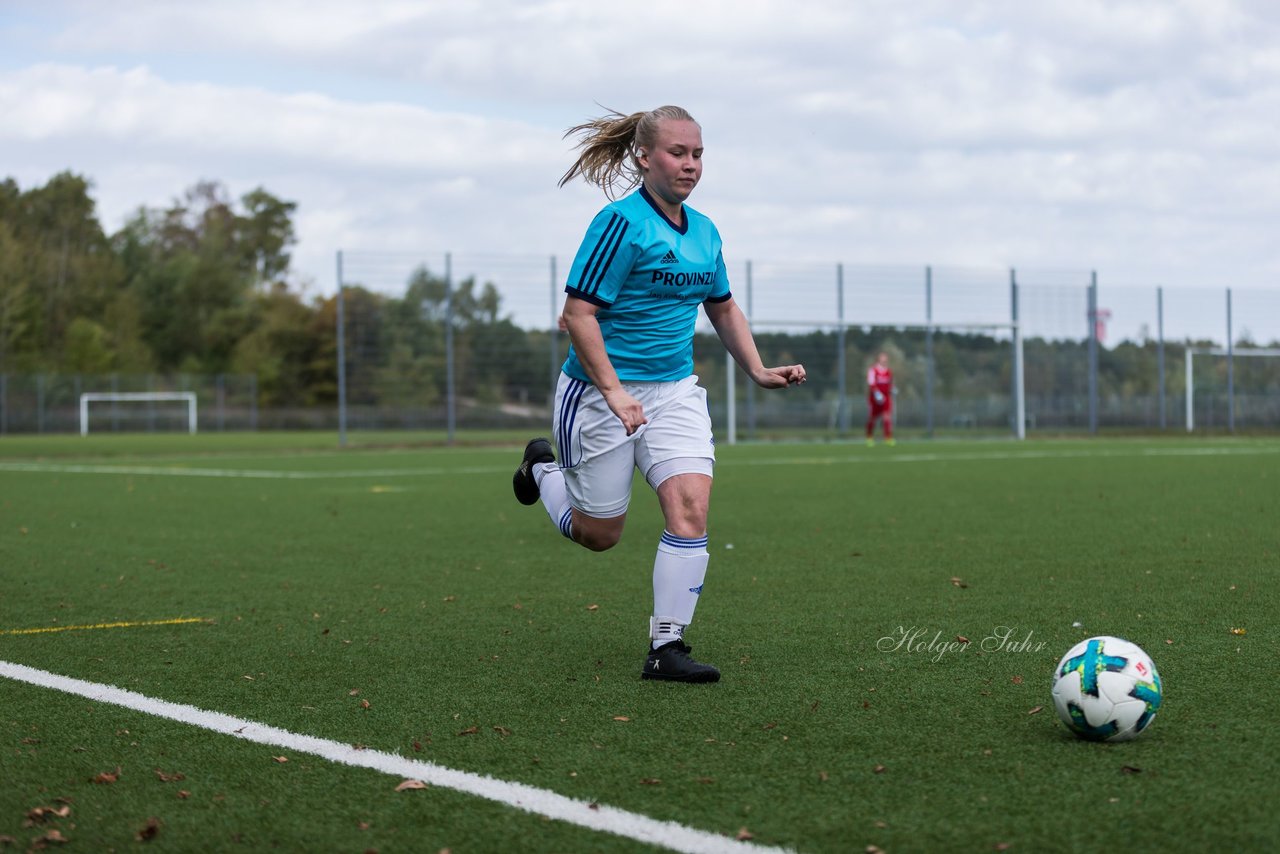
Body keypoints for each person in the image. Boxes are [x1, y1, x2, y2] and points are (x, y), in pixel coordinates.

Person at [513, 105, 806, 683]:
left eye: (698, 154)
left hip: (674, 391)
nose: (690, 164)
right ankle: (541, 470)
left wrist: (757, 369)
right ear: (644, 158)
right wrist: (615, 391)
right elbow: (577, 314)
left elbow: (720, 304)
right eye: (678, 152)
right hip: (599, 397)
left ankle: (666, 647)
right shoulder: (620, 224)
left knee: (691, 508)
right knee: (600, 535)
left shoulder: (706, 230)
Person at [866, 351, 894, 446]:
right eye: (882, 357)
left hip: (886, 398)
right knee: (872, 418)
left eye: (885, 358)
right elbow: (871, 383)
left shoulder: (888, 372)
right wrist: (877, 393)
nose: (884, 359)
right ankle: (869, 437)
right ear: (879, 359)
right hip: (874, 399)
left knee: (887, 417)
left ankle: (888, 438)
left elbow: (889, 384)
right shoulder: (873, 370)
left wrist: (892, 389)